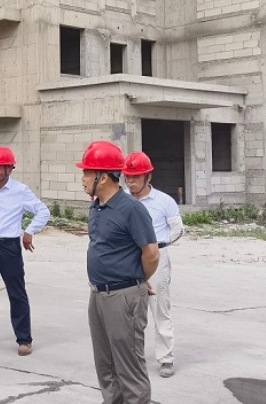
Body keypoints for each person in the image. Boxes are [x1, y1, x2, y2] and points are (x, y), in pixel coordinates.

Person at [78, 141, 159, 404]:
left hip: (123, 297)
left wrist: (138, 281)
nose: (82, 178)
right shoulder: (96, 206)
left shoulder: (131, 209)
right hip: (98, 294)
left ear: (102, 177)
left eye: (87, 173)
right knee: (105, 363)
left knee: (129, 365)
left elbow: (151, 253)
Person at [0, 146, 50, 356]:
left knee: (16, 293)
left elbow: (43, 211)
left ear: (9, 169)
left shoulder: (20, 191)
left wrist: (29, 231)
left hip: (8, 248)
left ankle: (24, 339)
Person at [123, 151, 184, 378]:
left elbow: (178, 230)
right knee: (127, 311)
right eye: (128, 177)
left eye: (136, 177)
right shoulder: (122, 200)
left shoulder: (164, 202)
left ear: (148, 177)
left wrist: (158, 246)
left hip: (157, 259)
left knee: (159, 308)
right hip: (128, 259)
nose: (131, 182)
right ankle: (129, 358)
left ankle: (165, 358)